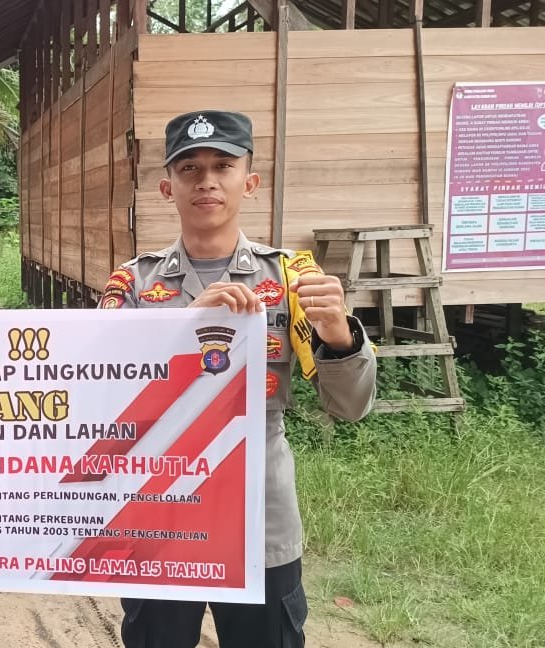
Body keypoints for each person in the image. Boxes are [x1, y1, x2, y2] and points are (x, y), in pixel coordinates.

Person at [101, 110, 377, 648]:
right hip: (159, 509)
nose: (206, 180)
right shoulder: (132, 283)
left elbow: (350, 407)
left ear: (249, 182)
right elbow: (101, 397)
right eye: (189, 168)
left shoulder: (292, 279)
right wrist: (184, 330)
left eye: (223, 166)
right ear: (167, 187)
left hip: (259, 512)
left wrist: (340, 337)